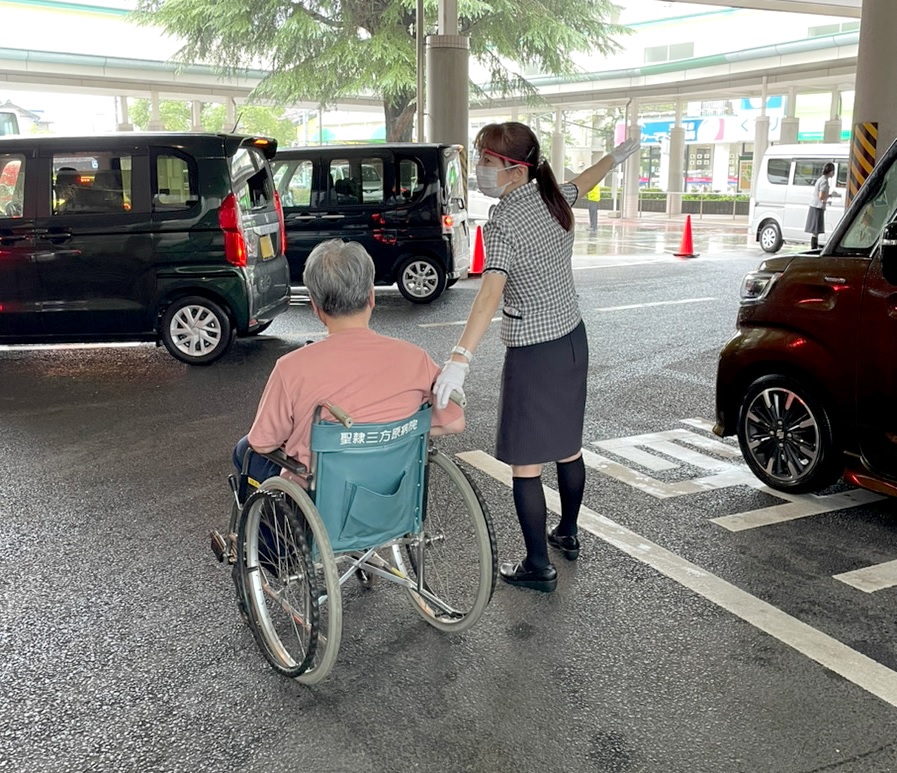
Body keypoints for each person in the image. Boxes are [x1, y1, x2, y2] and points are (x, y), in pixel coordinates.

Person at [433, 122, 639, 593]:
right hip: (572, 339)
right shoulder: (552, 197)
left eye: (486, 160)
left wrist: (461, 355)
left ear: (513, 169)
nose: (480, 169)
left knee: (526, 462)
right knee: (568, 445)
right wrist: (615, 157)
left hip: (533, 351)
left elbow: (489, 293)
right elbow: (584, 179)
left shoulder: (504, 222)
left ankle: (537, 565)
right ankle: (567, 532)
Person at [234, 239, 465, 485]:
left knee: (245, 450)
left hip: (321, 496)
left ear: (315, 306)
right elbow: (455, 422)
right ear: (371, 297)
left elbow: (263, 441)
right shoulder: (416, 358)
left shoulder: (291, 367)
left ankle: (265, 524)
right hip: (392, 492)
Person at [805, 162, 840, 250]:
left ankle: (814, 247)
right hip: (818, 207)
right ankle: (813, 248)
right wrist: (831, 195)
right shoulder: (824, 181)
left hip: (815, 206)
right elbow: (821, 196)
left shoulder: (821, 179)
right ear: (831, 172)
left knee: (815, 231)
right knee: (816, 230)